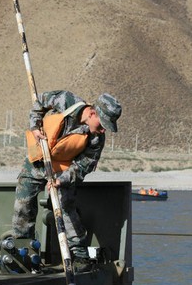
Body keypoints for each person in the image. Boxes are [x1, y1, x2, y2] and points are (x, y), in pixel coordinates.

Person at [11, 90, 122, 271]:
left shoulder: (96, 138)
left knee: (66, 205)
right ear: (92, 113)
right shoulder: (66, 101)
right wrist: (35, 127)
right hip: (38, 159)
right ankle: (22, 247)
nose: (103, 130)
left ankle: (79, 254)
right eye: (102, 125)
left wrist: (61, 181)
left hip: (63, 169)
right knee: (23, 201)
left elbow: (83, 166)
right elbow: (40, 103)